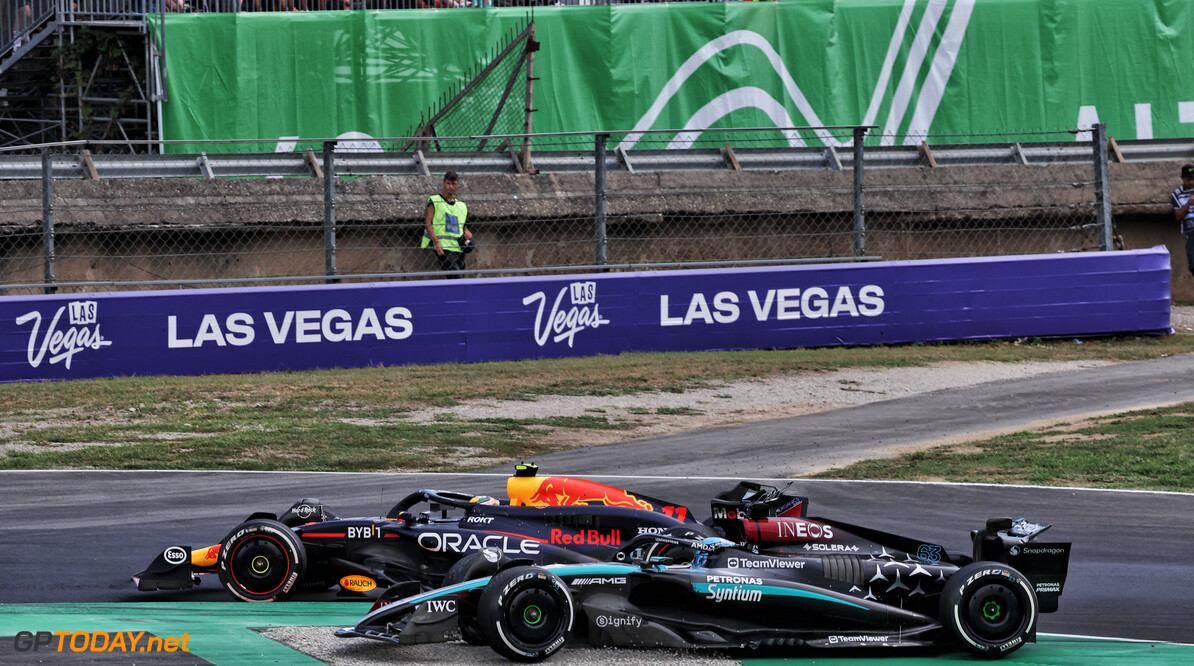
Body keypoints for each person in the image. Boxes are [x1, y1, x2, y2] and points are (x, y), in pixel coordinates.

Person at [422, 170, 472, 277]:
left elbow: (463, 225)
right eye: (448, 183)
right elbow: (428, 223)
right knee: (455, 276)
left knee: (461, 276)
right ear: (443, 183)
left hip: (459, 246)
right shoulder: (435, 201)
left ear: (457, 185)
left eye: (453, 184)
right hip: (444, 247)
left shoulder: (461, 205)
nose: (451, 186)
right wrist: (437, 242)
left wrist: (467, 232)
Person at [1172, 164, 1194, 278]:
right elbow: (1178, 216)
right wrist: (1188, 204)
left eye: (1193, 179)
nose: (1191, 182)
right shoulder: (1177, 194)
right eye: (1188, 179)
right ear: (1182, 178)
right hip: (1190, 233)